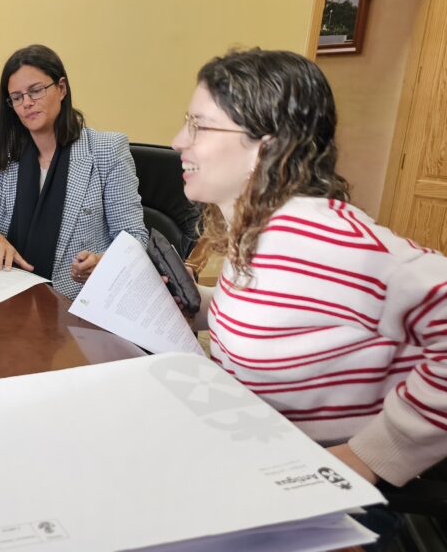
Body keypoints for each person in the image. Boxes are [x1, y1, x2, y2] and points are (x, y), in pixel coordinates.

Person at [172, 49, 447, 493]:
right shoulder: (258, 228)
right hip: (261, 456)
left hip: (322, 488)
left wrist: (373, 453)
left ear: (265, 146)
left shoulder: (323, 239)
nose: (177, 141)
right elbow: (286, 317)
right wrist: (194, 305)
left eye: (198, 126)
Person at [0, 45, 147, 300]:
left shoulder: (107, 150)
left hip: (75, 304)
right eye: (17, 97)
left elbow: (135, 238)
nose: (27, 103)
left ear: (62, 88)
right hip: (12, 297)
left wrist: (103, 262)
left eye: (36, 91)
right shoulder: (10, 155)